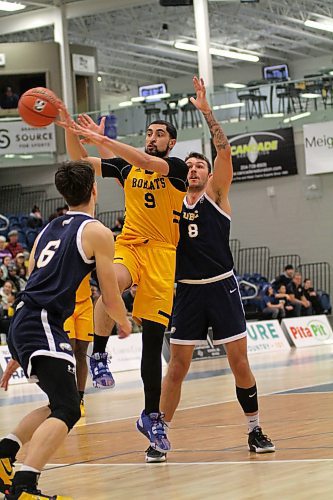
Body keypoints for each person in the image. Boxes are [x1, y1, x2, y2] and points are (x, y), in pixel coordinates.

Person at [154, 77, 275, 463]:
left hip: (221, 287)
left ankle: (254, 428)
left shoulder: (217, 194)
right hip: (187, 290)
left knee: (239, 362)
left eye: (198, 165)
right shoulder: (172, 200)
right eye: (187, 166)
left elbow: (224, 151)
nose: (192, 169)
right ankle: (160, 436)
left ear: (209, 173)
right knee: (176, 368)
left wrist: (207, 113)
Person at [58, 106, 188, 454]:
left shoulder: (177, 169)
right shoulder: (126, 167)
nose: (152, 138)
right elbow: (80, 163)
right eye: (149, 133)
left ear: (171, 142)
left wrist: (104, 139)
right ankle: (99, 354)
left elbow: (149, 165)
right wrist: (73, 131)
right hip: (130, 245)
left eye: (159, 134)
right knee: (110, 284)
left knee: (152, 345)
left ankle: (151, 416)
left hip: (163, 256)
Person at [0, 160, 131, 500]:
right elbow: (109, 292)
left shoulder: (47, 229)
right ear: (94, 190)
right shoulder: (99, 233)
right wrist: (124, 320)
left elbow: (33, 279)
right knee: (69, 410)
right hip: (42, 321)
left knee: (61, 402)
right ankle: (25, 487)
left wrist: (19, 347)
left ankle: (3, 456)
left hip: (26, 319)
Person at [63, 273, 94, 417]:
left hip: (85, 303)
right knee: (68, 352)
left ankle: (80, 398)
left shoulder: (89, 250)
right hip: (64, 302)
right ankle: (66, 398)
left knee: (81, 353)